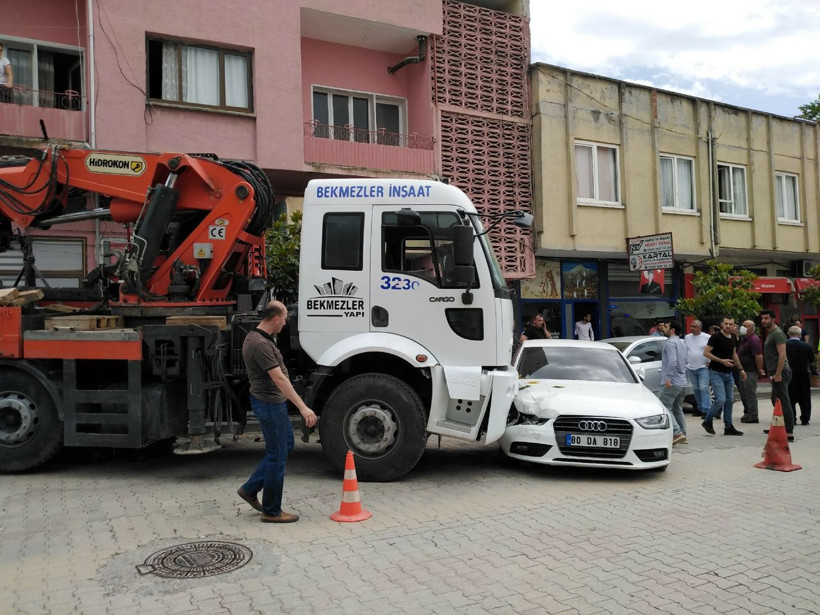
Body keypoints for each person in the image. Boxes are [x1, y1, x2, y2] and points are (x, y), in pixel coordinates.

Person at [238, 300, 317, 523]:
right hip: (270, 404)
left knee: (286, 445)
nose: (285, 322)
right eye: (284, 318)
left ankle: (250, 488)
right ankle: (271, 511)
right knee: (277, 455)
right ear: (275, 319)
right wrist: (303, 407)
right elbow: (279, 378)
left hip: (271, 402)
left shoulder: (258, 337)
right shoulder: (260, 344)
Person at [702, 316, 745, 436]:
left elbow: (734, 354)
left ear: (733, 326)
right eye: (726, 323)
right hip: (716, 372)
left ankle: (728, 426)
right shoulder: (715, 337)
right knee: (721, 399)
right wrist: (721, 361)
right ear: (721, 324)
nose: (728, 326)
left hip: (728, 372)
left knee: (730, 400)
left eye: (730, 324)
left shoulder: (733, 338)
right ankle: (707, 420)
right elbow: (706, 353)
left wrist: (741, 369)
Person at [759, 309, 794, 441]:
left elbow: (782, 354)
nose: (764, 321)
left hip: (781, 371)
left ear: (773, 319)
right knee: (776, 400)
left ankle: (789, 431)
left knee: (783, 401)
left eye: (766, 318)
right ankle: (778, 425)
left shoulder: (778, 333)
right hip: (775, 371)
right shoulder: (771, 333)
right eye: (762, 318)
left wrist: (778, 373)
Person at [659, 320, 688, 445]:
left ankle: (677, 433)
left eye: (666, 326)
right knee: (677, 408)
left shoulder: (670, 343)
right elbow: (685, 360)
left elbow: (672, 362)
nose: (663, 328)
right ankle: (683, 434)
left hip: (673, 381)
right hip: (682, 381)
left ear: (672, 330)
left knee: (664, 406)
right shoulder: (682, 343)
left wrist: (668, 379)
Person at [738, 320, 765, 424]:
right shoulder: (744, 339)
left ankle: (753, 415)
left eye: (745, 326)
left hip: (750, 371)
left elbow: (759, 356)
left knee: (750, 394)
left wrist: (759, 369)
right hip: (743, 370)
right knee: (744, 394)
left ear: (752, 329)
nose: (742, 327)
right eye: (743, 325)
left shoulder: (754, 339)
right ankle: (748, 412)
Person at [786, 325, 813, 426]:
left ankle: (792, 418)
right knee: (805, 397)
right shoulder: (806, 346)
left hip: (790, 374)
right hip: (803, 374)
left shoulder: (785, 345)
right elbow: (811, 359)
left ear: (788, 334)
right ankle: (805, 418)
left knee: (790, 397)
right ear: (799, 334)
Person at [684, 320, 711, 417]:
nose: (691, 328)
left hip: (703, 367)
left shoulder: (707, 337)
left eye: (694, 326)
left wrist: (710, 361)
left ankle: (706, 410)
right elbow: (686, 350)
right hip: (691, 367)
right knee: (696, 389)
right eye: (691, 326)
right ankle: (700, 408)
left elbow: (713, 350)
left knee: (703, 388)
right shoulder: (687, 337)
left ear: (700, 328)